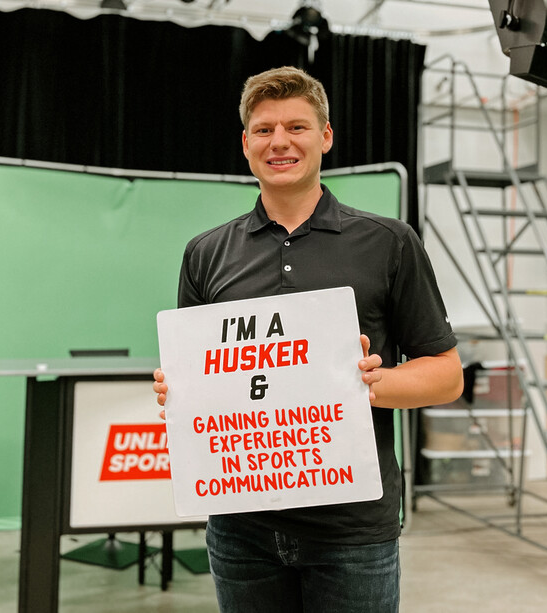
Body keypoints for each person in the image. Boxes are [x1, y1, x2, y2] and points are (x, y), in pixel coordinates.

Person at [153, 66, 463, 613]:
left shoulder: (389, 242)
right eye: (265, 129)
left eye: (296, 127)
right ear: (246, 144)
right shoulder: (205, 253)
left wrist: (368, 385)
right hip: (239, 530)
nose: (280, 142)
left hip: (352, 532)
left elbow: (446, 373)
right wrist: (180, 390)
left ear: (325, 136)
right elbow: (205, 379)